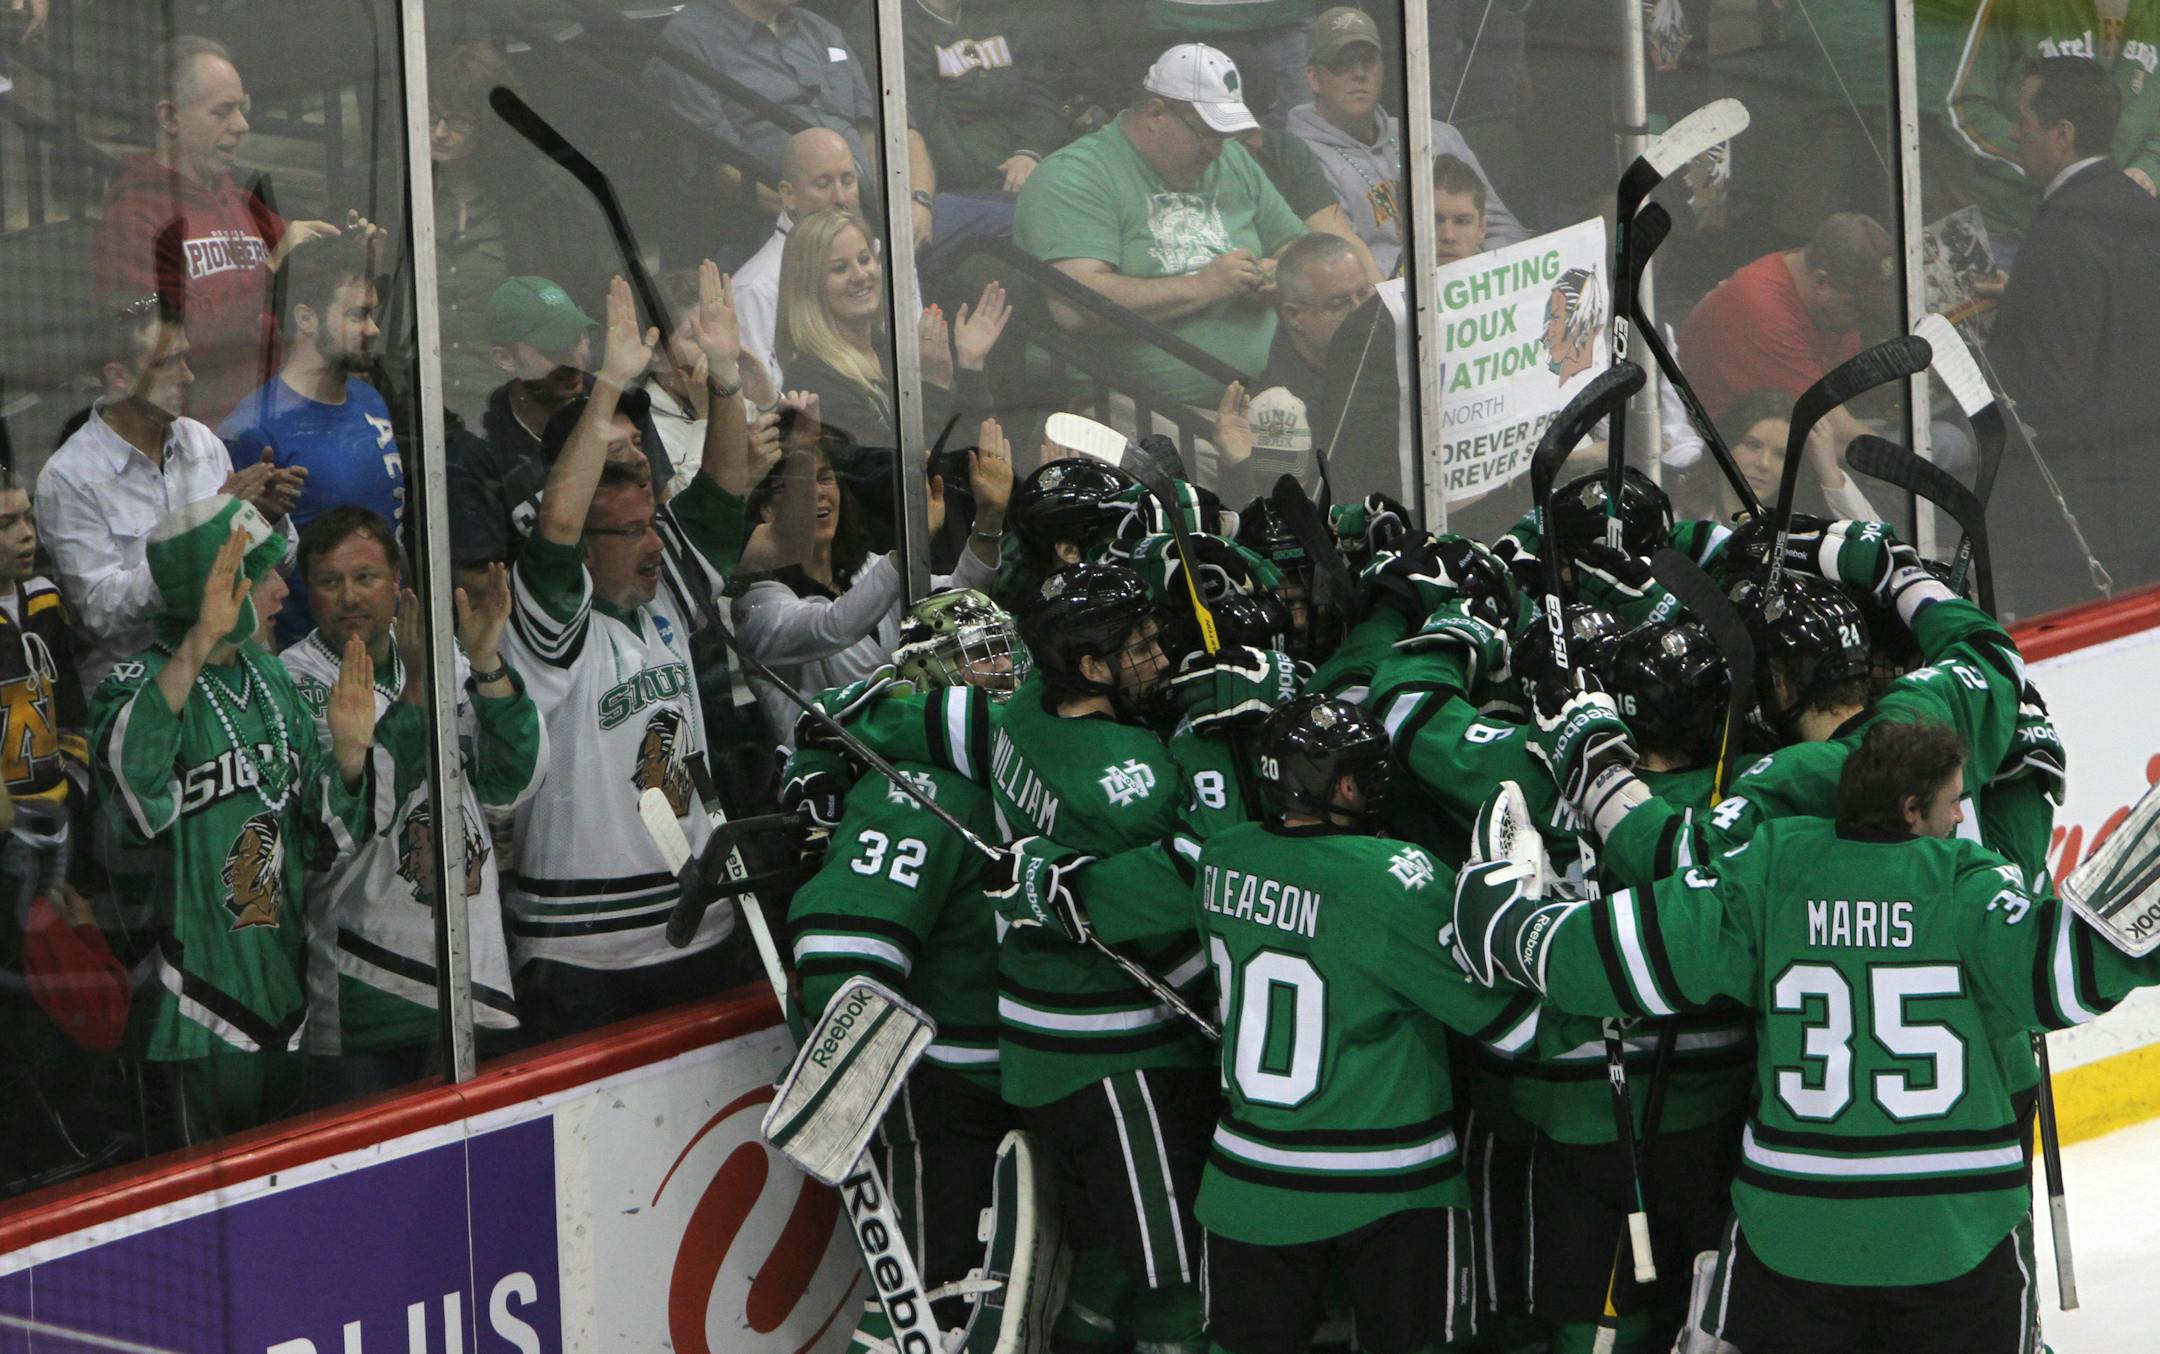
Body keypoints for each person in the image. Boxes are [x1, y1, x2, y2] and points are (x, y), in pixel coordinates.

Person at [1447, 717, 2160, 1353]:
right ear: (1913, 811)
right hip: (1949, 1238)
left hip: (1796, 1240)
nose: (1960, 816)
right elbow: (2069, 969)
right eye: (1953, 802)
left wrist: (1508, 928)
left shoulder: (1773, 866)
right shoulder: (1962, 882)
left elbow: (1624, 955)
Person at [1183, 695, 1539, 1354]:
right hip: (1390, 1181)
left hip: (1248, 1174)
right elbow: (1516, 1026)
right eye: (1359, 771)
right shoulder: (1390, 878)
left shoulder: (1221, 857)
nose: (1373, 782)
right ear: (1329, 783)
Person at [497, 276, 755, 1038]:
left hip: (697, 924)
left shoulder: (658, 565)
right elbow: (557, 524)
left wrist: (729, 380)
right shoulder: (547, 600)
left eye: (642, 461)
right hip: (585, 958)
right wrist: (608, 381)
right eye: (614, 470)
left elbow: (724, 492)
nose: (641, 477)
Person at [88, 496, 387, 1143]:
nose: (283, 587)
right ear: (217, 587)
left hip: (283, 999)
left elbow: (324, 839)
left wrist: (349, 757)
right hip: (190, 1011)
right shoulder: (134, 683)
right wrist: (199, 638)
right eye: (263, 573)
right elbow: (131, 792)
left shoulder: (270, 681)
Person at [784, 587, 1027, 1343]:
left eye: (1003, 648)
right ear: (931, 674)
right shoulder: (922, 792)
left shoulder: (1015, 771)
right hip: (940, 1093)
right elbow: (842, 951)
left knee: (986, 1298)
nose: (1003, 670)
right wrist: (847, 1088)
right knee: (924, 1306)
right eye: (977, 655)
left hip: (1010, 1079)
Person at [281, 507, 544, 1104]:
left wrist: (486, 666)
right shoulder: (291, 684)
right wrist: (422, 689)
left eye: (365, 577)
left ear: (397, 579)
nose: (349, 596)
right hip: (367, 991)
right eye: (329, 581)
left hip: (474, 974)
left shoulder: (447, 658)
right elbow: (350, 824)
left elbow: (513, 784)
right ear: (309, 590)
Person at [1013, 42, 1307, 407]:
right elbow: (1078, 305)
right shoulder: (1074, 176)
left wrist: (1277, 276)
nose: (1216, 150)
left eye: (1223, 136)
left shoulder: (1231, 160)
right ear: (1155, 113)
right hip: (1136, 411)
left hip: (1267, 398)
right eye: (1207, 133)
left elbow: (1301, 250)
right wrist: (1206, 286)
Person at [90, 36, 358, 426]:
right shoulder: (134, 220)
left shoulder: (242, 202)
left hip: (283, 417)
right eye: (223, 112)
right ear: (169, 117)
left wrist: (346, 256)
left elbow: (298, 290)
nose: (242, 125)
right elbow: (166, 341)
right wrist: (271, 270)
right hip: (203, 440)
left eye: (243, 109)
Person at [40, 298, 303, 691]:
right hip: (139, 694)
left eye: (187, 359)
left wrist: (267, 516)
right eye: (169, 363)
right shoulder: (69, 477)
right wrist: (208, 533)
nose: (189, 375)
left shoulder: (201, 442)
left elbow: (280, 565)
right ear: (119, 377)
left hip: (223, 680)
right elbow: (98, 613)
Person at [1988, 54, 2160, 610]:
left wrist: (1984, 361)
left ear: (2062, 135)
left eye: (2024, 120)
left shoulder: (2064, 225)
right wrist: (2023, 295)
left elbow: (2052, 382)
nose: (2015, 132)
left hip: (2087, 512)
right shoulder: (2139, 206)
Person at [732, 415, 1011, 749]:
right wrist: (911, 545)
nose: (819, 494)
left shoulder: (868, 567)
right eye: (800, 484)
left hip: (901, 758)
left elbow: (956, 601)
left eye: (825, 478)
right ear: (767, 510)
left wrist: (989, 517)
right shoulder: (755, 604)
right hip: (824, 781)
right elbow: (832, 627)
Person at [220, 237, 404, 648]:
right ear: (306, 318)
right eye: (359, 315)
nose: (374, 329)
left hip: (386, 646)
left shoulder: (369, 398)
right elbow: (246, 565)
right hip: (307, 661)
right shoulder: (256, 431)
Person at [647, 0, 938, 246]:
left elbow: (884, 127)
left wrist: (917, 201)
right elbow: (721, 170)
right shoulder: (690, 39)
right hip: (784, 230)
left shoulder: (820, 29)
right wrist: (819, 222)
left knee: (980, 225)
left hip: (875, 216)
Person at [1284, 7, 1525, 277]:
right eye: (1343, 63)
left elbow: (1505, 229)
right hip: (1392, 304)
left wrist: (1479, 275)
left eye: (1369, 60)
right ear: (1314, 78)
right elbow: (1344, 268)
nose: (1359, 73)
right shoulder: (1301, 160)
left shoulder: (1437, 136)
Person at [771, 206, 1007, 469]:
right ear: (809, 287)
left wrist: (970, 366)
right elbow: (893, 479)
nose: (861, 275)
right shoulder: (812, 378)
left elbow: (980, 455)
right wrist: (933, 385)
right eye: (840, 268)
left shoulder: (890, 349)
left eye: (864, 259)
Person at [1675, 212, 1893, 446]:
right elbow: (1838, 437)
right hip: (1734, 458)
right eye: (1856, 307)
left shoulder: (1823, 299)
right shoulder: (1766, 315)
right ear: (1821, 281)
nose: (1861, 319)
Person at [444, 277, 596, 581]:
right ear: (504, 359)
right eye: (554, 350)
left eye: (578, 340)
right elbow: (478, 583)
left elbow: (661, 506)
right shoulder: (476, 455)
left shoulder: (608, 403)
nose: (575, 360)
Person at [734, 127, 865, 388]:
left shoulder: (881, 257)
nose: (840, 198)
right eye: (823, 184)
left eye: (848, 180)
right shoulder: (755, 289)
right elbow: (759, 399)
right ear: (788, 194)